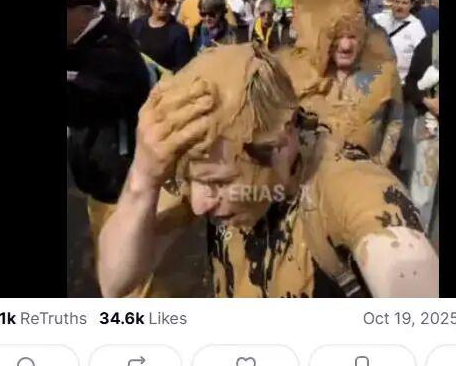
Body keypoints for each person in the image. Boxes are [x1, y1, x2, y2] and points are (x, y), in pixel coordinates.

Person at [98, 43, 438, 298]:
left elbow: (409, 278)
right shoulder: (206, 166)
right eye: (189, 181)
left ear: (283, 140)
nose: (199, 204)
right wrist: (144, 177)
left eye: (220, 182)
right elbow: (115, 282)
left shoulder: (347, 185)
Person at [67, 0, 150, 206]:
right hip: (95, 172)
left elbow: (82, 106)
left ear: (85, 11)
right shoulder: (89, 36)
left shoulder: (113, 51)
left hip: (114, 183)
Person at [404, 30, 440, 244]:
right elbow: (410, 85)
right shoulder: (430, 44)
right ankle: (417, 243)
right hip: (431, 128)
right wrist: (428, 102)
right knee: (422, 194)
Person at [130, 0, 192, 73]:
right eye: (161, 1)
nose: (165, 5)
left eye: (169, 2)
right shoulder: (137, 25)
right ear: (151, 3)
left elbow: (183, 66)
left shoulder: (179, 32)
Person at [373, 0, 426, 84]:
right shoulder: (378, 19)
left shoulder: (416, 27)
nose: (399, 6)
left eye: (404, 3)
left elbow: (421, 58)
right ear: (392, 2)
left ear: (411, 5)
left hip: (399, 82)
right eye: (397, 1)